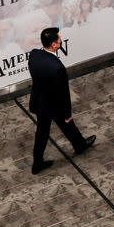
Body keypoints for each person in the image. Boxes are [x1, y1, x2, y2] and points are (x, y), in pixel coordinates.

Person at [28, 28, 96, 174]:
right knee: (68, 124)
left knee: (42, 133)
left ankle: (37, 163)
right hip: (54, 105)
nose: (60, 41)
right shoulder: (57, 67)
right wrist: (67, 113)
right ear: (54, 45)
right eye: (59, 39)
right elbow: (63, 94)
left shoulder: (34, 55)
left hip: (40, 103)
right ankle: (80, 146)